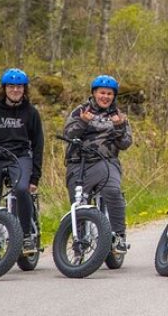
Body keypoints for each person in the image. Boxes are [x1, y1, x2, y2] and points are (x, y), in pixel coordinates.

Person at [0, 68, 44, 253]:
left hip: (19, 157)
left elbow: (38, 144)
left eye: (19, 87)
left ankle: (27, 236)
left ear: (24, 89)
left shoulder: (31, 112)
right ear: (4, 88)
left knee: (21, 190)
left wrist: (34, 177)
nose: (15, 90)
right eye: (11, 86)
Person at [63, 74, 132, 253]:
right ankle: (80, 240)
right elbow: (68, 135)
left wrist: (118, 127)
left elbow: (125, 144)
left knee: (113, 191)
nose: (105, 97)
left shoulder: (119, 116)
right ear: (94, 93)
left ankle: (119, 236)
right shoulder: (80, 111)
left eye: (109, 94)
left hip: (107, 162)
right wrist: (84, 122)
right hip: (79, 163)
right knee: (78, 201)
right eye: (102, 93)